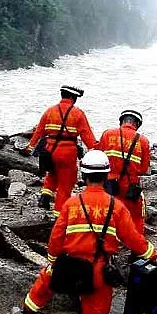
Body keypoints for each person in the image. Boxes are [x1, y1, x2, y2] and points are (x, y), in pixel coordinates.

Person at [11, 151, 157, 314]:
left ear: (83, 174)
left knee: (46, 279)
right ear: (106, 175)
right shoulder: (115, 206)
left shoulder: (72, 203)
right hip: (98, 271)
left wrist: (53, 260)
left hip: (70, 264)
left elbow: (56, 237)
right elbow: (133, 239)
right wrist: (153, 255)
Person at [26, 85, 98, 217]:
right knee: (66, 182)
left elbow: (39, 131)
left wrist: (29, 148)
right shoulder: (78, 113)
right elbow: (86, 134)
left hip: (49, 150)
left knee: (52, 173)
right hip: (67, 152)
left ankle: (45, 197)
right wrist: (96, 150)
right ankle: (59, 214)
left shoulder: (50, 111)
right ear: (72, 97)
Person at [97, 109, 151, 232]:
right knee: (137, 215)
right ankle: (135, 245)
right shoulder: (143, 141)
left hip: (108, 183)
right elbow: (143, 169)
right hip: (130, 185)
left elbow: (98, 158)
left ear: (122, 121)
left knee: (107, 213)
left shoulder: (107, 134)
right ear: (137, 124)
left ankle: (108, 240)